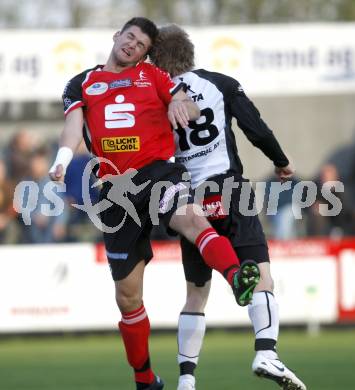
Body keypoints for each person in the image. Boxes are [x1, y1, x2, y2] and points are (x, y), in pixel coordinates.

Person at [49, 17, 260, 390]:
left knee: (192, 220)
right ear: (117, 37)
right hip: (114, 191)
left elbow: (186, 105)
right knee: (127, 297)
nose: (132, 45)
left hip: (157, 173)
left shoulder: (153, 77)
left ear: (146, 53)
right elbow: (72, 126)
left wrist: (181, 105)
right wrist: (62, 160)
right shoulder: (81, 83)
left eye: (141, 44)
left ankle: (236, 278)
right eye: (129, 37)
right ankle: (145, 379)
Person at [150, 24, 306, 390]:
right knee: (261, 274)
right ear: (190, 53)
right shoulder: (220, 83)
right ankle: (266, 352)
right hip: (229, 188)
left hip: (190, 201)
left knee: (195, 293)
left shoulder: (160, 99)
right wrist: (281, 161)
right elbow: (256, 128)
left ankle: (186, 380)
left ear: (157, 62)